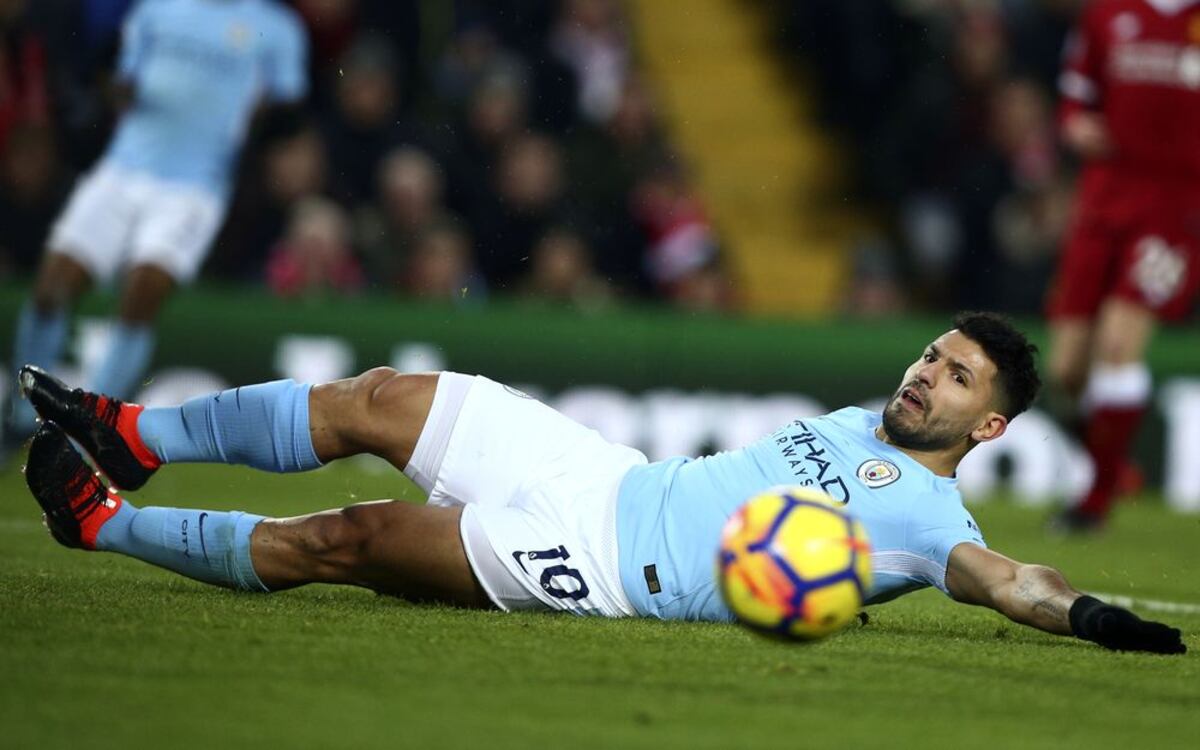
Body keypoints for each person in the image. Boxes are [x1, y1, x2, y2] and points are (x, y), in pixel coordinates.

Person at [16, 312, 1186, 654]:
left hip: (601, 570)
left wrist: (1081, 613)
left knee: (355, 539)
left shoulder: (933, 519)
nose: (923, 375)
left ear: (989, 423)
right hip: (608, 472)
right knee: (377, 398)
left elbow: (1007, 578)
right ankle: (134, 431)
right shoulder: (857, 416)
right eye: (929, 354)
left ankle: (106, 524)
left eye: (953, 376)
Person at [2, 0, 308, 455]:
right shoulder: (157, 10)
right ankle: (19, 416)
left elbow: (286, 109)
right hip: (123, 170)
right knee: (52, 286)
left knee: (142, 292)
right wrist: (121, 90)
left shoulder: (277, 28)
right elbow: (120, 81)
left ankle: (84, 427)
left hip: (194, 188)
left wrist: (246, 121)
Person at [1047, 0, 1200, 532]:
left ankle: (1096, 498)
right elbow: (1075, 95)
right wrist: (1075, 126)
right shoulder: (1107, 14)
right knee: (1066, 369)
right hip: (1102, 202)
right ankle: (1113, 466)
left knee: (1118, 344)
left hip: (1176, 210)